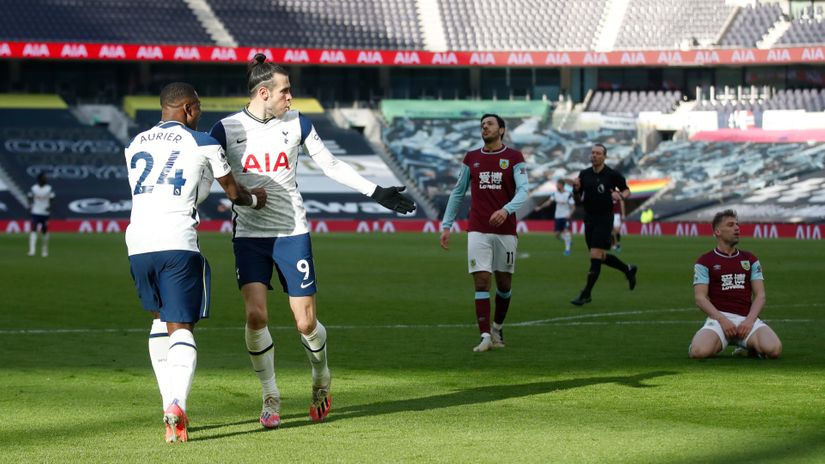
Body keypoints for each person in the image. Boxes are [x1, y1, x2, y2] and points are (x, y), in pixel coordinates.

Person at [209, 54, 415, 428]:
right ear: (263, 93)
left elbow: (331, 165)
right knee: (256, 315)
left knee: (305, 323)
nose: (291, 97)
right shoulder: (225, 129)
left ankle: (321, 378)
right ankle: (270, 395)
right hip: (250, 236)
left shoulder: (297, 124)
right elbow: (204, 172)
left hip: (292, 233)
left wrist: (377, 192)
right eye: (285, 91)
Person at [125, 82, 266, 443]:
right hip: (177, 241)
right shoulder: (202, 140)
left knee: (158, 319)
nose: (200, 115)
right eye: (198, 108)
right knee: (182, 327)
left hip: (138, 242)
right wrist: (254, 200)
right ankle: (177, 403)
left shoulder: (136, 143)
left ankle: (166, 405)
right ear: (188, 108)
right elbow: (232, 192)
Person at [439, 113, 529, 352]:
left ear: (501, 130)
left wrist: (506, 209)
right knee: (481, 281)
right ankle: (485, 335)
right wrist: (447, 225)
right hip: (477, 228)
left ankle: (498, 327)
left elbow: (523, 191)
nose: (484, 127)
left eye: (489, 124)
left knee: (504, 283)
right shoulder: (472, 158)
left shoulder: (514, 157)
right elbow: (458, 193)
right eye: (482, 125)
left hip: (506, 230)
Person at [688, 209, 782, 359]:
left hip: (746, 319)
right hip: (719, 319)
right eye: (731, 225)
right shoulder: (705, 261)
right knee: (699, 352)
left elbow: (760, 295)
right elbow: (700, 298)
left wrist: (750, 320)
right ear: (718, 231)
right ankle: (701, 342)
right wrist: (722, 320)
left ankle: (746, 347)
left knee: (774, 350)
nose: (737, 228)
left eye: (737, 225)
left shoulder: (750, 259)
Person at [569, 143, 637, 306]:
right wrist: (576, 189)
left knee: (595, 255)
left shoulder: (612, 175)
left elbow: (627, 190)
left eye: (598, 153)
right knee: (599, 256)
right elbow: (578, 200)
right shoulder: (584, 175)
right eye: (592, 153)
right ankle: (628, 269)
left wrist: (619, 195)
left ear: (604, 156)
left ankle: (586, 293)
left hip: (604, 219)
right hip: (589, 218)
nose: (594, 155)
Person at [533, 179, 575, 255]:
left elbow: (573, 207)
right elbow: (548, 202)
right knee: (557, 235)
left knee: (566, 232)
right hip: (558, 216)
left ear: (562, 185)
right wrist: (540, 207)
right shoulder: (555, 194)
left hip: (566, 216)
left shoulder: (568, 194)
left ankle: (567, 250)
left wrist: (570, 214)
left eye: (558, 184)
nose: (556, 186)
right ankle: (567, 240)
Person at [27, 173, 55, 257]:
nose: (45, 179)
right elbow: (29, 196)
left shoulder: (49, 188)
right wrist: (30, 205)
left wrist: (50, 207)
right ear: (39, 179)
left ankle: (45, 250)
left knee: (44, 231)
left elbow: (52, 198)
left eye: (46, 178)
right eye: (44, 178)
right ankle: (32, 250)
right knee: (33, 229)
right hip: (36, 211)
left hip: (45, 213)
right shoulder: (34, 188)